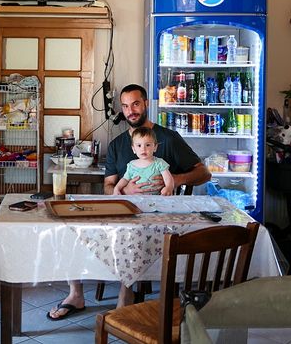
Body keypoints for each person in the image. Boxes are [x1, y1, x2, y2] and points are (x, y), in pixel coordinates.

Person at [47, 83, 211, 321]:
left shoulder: (169, 138)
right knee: (74, 228)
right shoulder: (117, 145)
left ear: (145, 104)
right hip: (126, 210)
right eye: (125, 106)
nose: (130, 110)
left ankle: (126, 295)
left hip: (160, 217)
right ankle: (75, 294)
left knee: (130, 236)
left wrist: (174, 180)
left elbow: (204, 174)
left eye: (135, 104)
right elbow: (108, 186)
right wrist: (124, 190)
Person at [113, 126, 173, 196]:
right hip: (135, 199)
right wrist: (117, 188)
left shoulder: (159, 163)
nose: (143, 149)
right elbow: (125, 179)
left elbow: (168, 178)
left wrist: (169, 187)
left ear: (155, 147)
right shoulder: (131, 165)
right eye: (139, 145)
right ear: (133, 149)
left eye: (147, 145)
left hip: (157, 199)